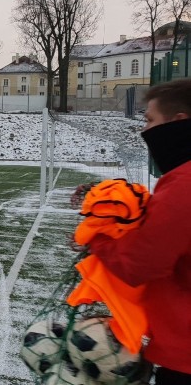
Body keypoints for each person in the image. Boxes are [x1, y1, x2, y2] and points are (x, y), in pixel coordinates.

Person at [87, 79, 191, 383]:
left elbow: (138, 263)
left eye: (150, 120)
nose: (144, 130)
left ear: (178, 122)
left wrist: (96, 237)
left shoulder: (184, 185)